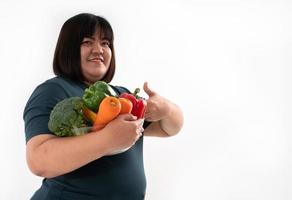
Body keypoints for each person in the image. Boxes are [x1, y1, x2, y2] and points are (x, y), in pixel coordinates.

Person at [23, 13, 183, 200]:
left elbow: (168, 128)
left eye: (106, 43)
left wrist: (167, 109)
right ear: (68, 49)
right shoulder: (53, 91)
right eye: (87, 42)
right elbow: (38, 160)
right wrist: (107, 139)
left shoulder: (123, 95)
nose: (99, 49)